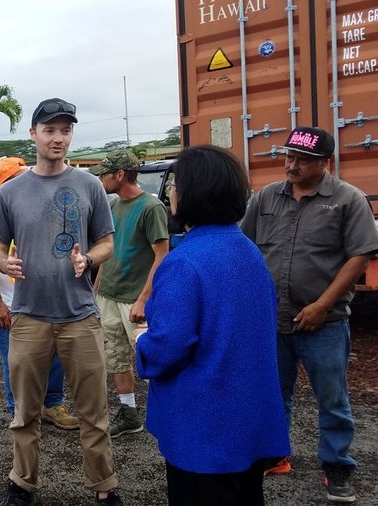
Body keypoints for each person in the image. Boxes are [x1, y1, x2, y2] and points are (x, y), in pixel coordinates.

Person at [135, 145, 291, 505]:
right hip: (247, 421)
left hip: (203, 427)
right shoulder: (248, 250)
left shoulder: (183, 262)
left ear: (190, 194)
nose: (171, 192)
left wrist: (142, 345)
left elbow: (169, 346)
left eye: (175, 185)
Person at [0, 98, 121, 506]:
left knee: (93, 412)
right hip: (28, 316)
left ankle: (104, 488)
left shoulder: (90, 186)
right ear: (34, 135)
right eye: (50, 130)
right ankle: (22, 484)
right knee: (25, 412)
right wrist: (5, 262)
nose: (58, 138)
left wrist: (90, 258)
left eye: (65, 130)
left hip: (80, 315)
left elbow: (107, 242)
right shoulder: (10, 192)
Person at [240, 126, 378, 503]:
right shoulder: (267, 196)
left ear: (324, 163)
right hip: (273, 319)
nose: (292, 165)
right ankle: (276, 455)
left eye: (302, 159)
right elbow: (245, 246)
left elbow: (360, 256)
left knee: (332, 399)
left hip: (324, 323)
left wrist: (322, 305)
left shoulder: (348, 199)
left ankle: (337, 466)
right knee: (273, 392)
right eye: (289, 156)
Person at [0, 157, 80, 430]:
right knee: (16, 362)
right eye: (20, 176)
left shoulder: (38, 212)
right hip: (12, 305)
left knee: (54, 357)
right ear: (8, 184)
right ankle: (19, 411)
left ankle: (52, 404)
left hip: (46, 301)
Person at [90, 150, 169, 438]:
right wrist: (96, 289)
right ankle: (130, 414)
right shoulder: (113, 206)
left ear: (120, 174)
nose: (101, 179)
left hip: (135, 300)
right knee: (117, 358)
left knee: (153, 357)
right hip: (109, 296)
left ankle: (171, 416)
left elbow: (162, 256)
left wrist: (144, 299)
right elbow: (109, 252)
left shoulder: (151, 207)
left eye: (105, 173)